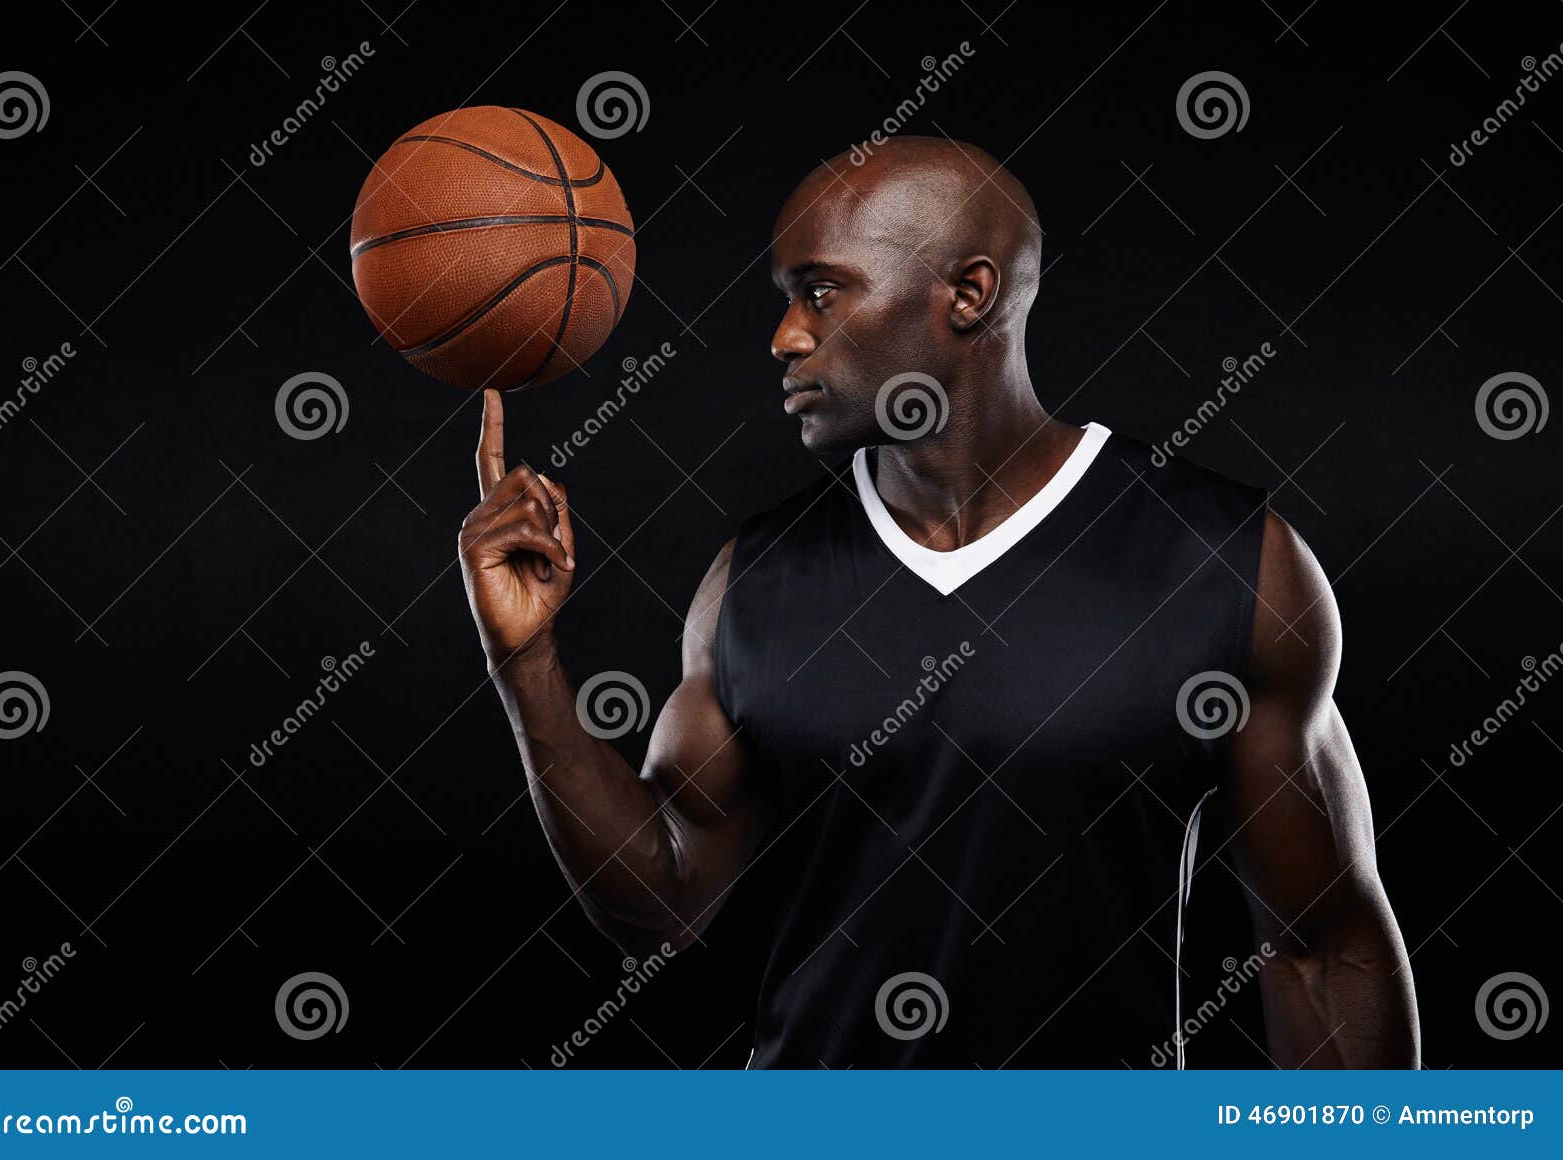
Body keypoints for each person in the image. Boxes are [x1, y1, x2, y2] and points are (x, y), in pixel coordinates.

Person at [457, 137, 1421, 1068]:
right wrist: (527, 665)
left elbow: (1324, 951)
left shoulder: (1222, 561)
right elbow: (661, 903)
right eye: (789, 300)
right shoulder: (754, 581)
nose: (785, 336)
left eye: (821, 293)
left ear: (969, 294)